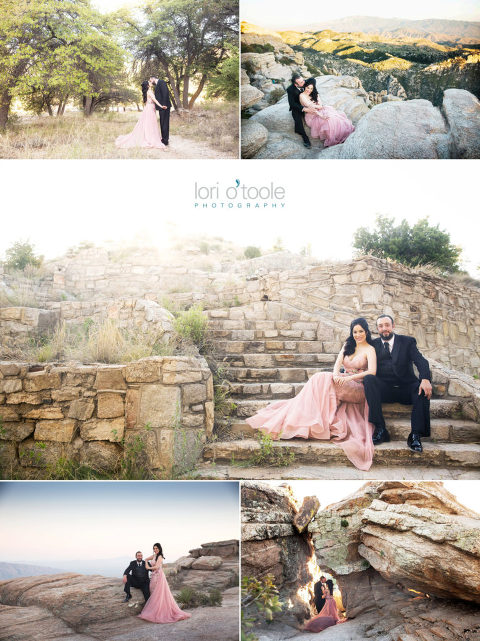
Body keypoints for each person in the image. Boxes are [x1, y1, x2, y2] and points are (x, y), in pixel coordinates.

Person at [245, 317, 376, 471]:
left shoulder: (370, 349)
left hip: (358, 387)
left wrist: (349, 377)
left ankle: (317, 421)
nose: (358, 334)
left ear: (366, 331)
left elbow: (372, 372)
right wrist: (336, 375)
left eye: (361, 331)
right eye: (355, 331)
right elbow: (337, 364)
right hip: (342, 381)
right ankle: (314, 419)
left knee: (321, 378)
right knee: (322, 378)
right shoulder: (348, 345)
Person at [363, 314, 432, 452]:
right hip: (385, 390)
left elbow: (421, 361)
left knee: (422, 387)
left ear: (393, 326)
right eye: (381, 326)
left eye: (387, 325)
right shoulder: (373, 345)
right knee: (369, 379)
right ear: (377, 329)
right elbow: (360, 358)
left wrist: (425, 379)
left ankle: (415, 435)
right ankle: (381, 429)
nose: (384, 329)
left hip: (406, 388)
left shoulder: (407, 342)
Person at [137, 543, 191, 624]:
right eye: (154, 548)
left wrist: (148, 568)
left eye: (156, 548)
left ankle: (160, 612)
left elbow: (157, 567)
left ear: (159, 548)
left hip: (158, 576)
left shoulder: (160, 556)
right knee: (153, 592)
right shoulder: (155, 555)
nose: (155, 550)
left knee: (158, 594)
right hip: (153, 575)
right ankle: (155, 610)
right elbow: (146, 559)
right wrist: (146, 561)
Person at [300, 78, 355, 148]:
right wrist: (321, 115)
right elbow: (311, 108)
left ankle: (342, 133)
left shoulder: (314, 93)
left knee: (333, 116)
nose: (309, 90)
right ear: (305, 86)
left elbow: (320, 105)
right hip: (312, 116)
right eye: (308, 88)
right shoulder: (302, 95)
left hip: (320, 110)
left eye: (311, 89)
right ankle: (334, 137)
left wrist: (317, 107)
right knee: (328, 120)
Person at [115, 80, 167, 150]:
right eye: (149, 82)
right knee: (150, 123)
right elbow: (155, 100)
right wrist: (161, 106)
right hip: (150, 109)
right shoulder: (149, 92)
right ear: (148, 86)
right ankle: (149, 137)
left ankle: (150, 136)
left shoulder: (148, 92)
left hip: (149, 108)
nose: (151, 83)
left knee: (149, 123)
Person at [286, 73, 311, 148]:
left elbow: (312, 80)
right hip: (298, 106)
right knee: (298, 120)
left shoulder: (304, 82)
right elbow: (292, 103)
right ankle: (305, 137)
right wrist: (303, 108)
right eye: (301, 82)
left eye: (303, 80)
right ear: (296, 84)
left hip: (307, 101)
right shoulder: (290, 89)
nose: (304, 82)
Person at [151, 76, 172, 146]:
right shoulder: (157, 84)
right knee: (162, 123)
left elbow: (165, 93)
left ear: (153, 78)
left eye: (150, 80)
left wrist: (164, 105)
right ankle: (164, 139)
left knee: (165, 123)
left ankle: (165, 140)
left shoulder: (161, 82)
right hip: (162, 107)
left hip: (164, 106)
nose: (151, 82)